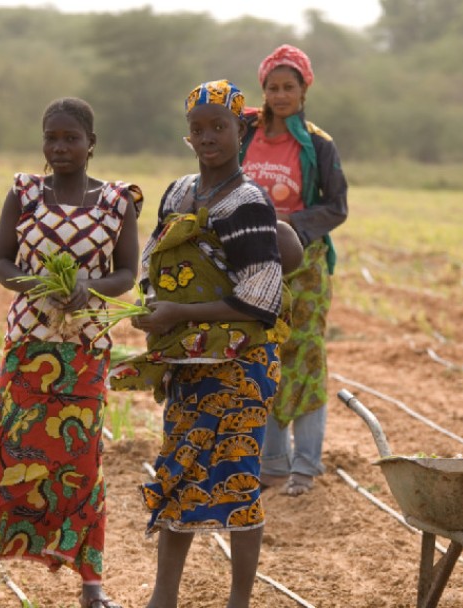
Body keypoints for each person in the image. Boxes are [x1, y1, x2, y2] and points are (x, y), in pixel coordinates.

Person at [0, 97, 140, 608]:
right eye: (52, 138)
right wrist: (39, 284)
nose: (60, 147)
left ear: (91, 144)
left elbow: (126, 275)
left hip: (86, 349)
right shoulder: (25, 193)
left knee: (82, 463)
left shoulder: (118, 201)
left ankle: (91, 586)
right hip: (29, 344)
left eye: (71, 138)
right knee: (9, 458)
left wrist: (88, 287)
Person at [108, 79, 284, 608]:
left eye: (219, 127)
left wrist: (180, 312)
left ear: (242, 130)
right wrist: (151, 307)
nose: (207, 137)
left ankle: (239, 602)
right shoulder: (179, 192)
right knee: (179, 471)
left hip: (239, 365)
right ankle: (163, 597)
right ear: (187, 135)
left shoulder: (248, 202)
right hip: (188, 361)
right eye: (197, 128)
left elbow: (263, 298)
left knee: (237, 479)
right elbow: (159, 264)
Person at [239, 44, 349, 497]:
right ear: (262, 90)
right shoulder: (246, 133)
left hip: (305, 267)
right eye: (272, 87)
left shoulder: (319, 145)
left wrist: (289, 227)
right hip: (253, 261)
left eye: (289, 87)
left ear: (304, 90)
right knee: (262, 353)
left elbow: (336, 207)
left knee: (304, 359)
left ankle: (306, 464)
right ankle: (272, 464)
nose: (280, 94)